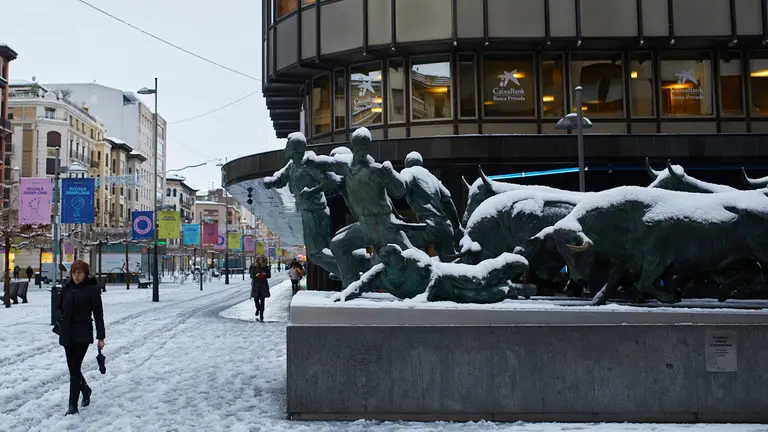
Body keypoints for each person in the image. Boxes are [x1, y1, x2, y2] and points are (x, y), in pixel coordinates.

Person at [53, 260, 105, 416]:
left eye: (79, 273)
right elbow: (57, 307)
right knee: (73, 368)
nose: (76, 276)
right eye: (74, 273)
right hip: (66, 332)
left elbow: (98, 315)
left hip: (82, 333)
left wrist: (101, 337)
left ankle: (72, 405)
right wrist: (60, 317)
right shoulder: (66, 288)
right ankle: (86, 390)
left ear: (85, 274)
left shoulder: (92, 290)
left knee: (74, 369)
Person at [249, 255, 271, 322]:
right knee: (256, 299)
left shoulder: (266, 267)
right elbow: (251, 275)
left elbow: (269, 276)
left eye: (261, 259)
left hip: (263, 285)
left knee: (262, 299)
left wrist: (265, 274)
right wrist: (255, 275)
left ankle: (261, 313)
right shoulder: (254, 266)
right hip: (256, 284)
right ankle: (258, 308)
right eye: (259, 259)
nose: (260, 260)